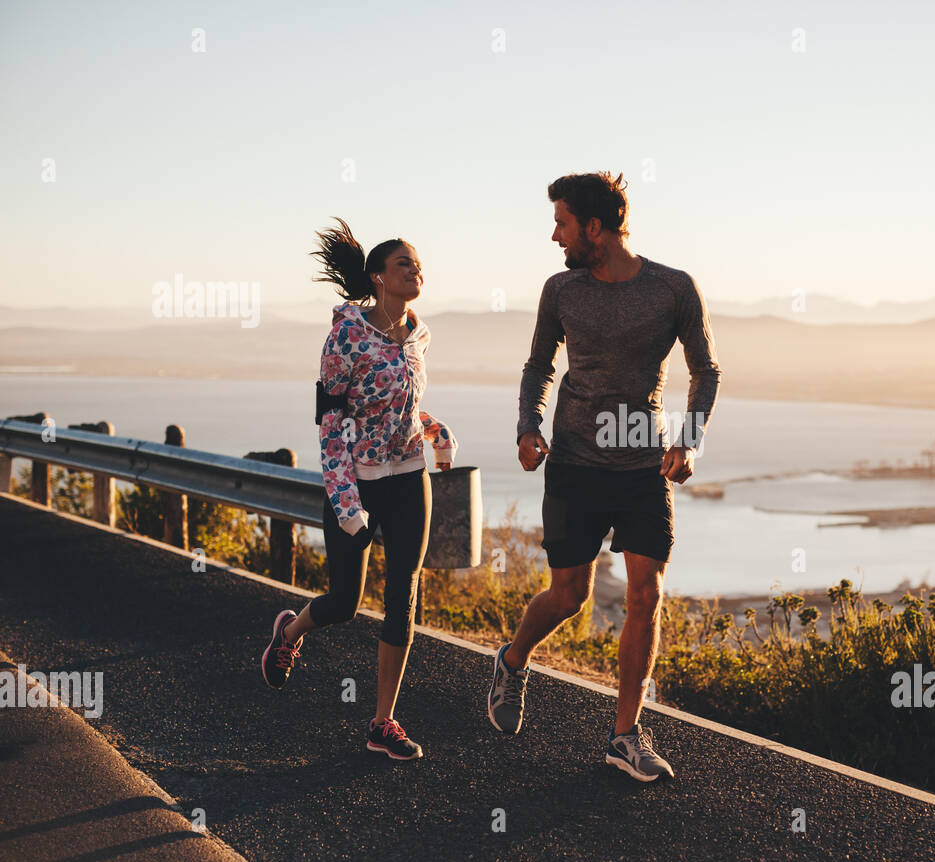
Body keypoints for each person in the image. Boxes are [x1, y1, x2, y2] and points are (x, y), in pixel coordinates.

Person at [489, 172, 722, 782]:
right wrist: (527, 426)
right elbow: (539, 364)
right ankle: (513, 660)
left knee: (647, 594)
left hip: (643, 466)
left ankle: (624, 736)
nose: (554, 234)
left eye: (562, 223)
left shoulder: (673, 288)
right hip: (573, 463)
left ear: (595, 227)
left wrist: (688, 438)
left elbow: (706, 370)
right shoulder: (561, 289)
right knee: (571, 597)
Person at [261, 217, 458, 761]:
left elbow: (403, 405)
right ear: (377, 277)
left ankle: (382, 723)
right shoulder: (345, 337)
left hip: (409, 478)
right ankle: (289, 633)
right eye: (404, 263)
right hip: (356, 486)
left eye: (418, 263)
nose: (416, 270)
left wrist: (435, 433)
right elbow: (331, 423)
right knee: (346, 602)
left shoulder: (418, 333)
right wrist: (346, 500)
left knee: (404, 595)